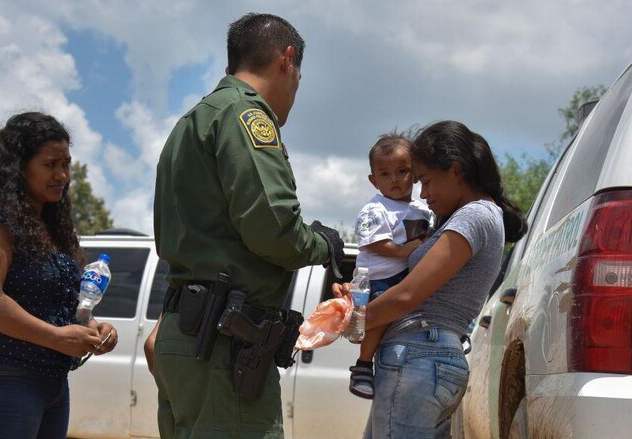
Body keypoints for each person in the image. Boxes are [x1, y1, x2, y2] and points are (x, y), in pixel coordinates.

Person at [148, 13, 344, 439]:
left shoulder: (194, 120)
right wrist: (323, 246)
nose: (295, 90)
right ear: (287, 60)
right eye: (298, 77)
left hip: (191, 337)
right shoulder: (246, 115)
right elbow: (273, 229)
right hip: (221, 344)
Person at [333, 120, 528, 438]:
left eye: (425, 180)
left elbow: (409, 295)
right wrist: (357, 301)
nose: (423, 193)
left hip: (419, 356)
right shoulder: (472, 217)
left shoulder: (475, 215)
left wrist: (349, 320)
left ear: (454, 170)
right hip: (427, 359)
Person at [0, 112, 118, 439]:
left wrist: (91, 330)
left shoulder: (53, 232)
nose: (62, 175)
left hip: (52, 385)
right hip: (5, 381)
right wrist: (56, 337)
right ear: (19, 167)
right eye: (50, 165)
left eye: (66, 164)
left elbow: (55, 309)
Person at [348, 132, 433, 400]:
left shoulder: (423, 210)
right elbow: (372, 243)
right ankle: (362, 366)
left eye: (402, 171)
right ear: (374, 180)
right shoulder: (375, 209)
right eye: (385, 174)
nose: (394, 179)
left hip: (406, 278)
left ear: (416, 173)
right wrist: (401, 251)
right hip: (378, 279)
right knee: (378, 319)